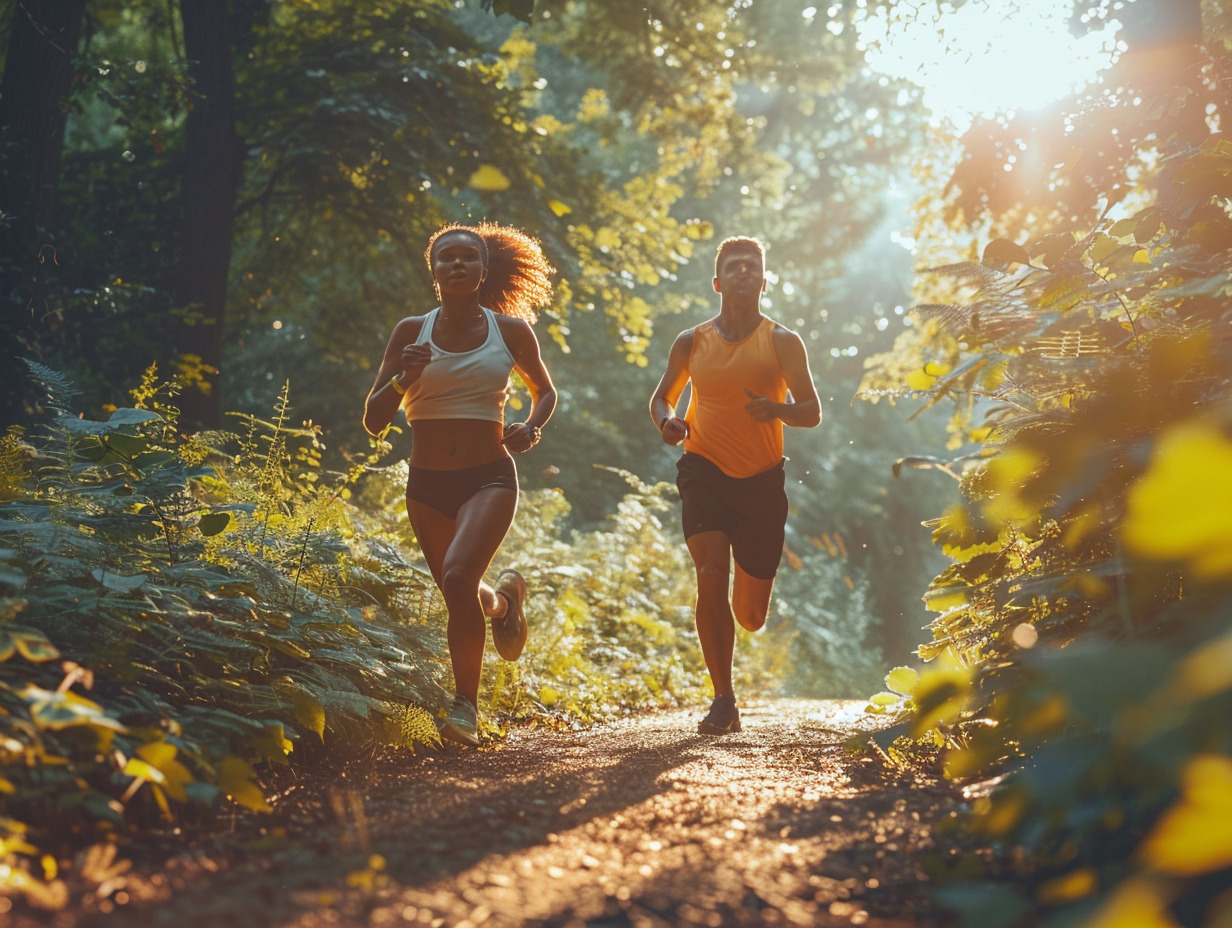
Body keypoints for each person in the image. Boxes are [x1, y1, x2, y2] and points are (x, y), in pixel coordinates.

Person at [363, 221, 556, 747]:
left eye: (468, 257)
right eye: (447, 257)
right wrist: (405, 376)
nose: (457, 264)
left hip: (489, 475)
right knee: (460, 590)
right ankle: (504, 605)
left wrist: (531, 426)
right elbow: (373, 420)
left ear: (482, 269)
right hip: (426, 483)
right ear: (435, 272)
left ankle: (464, 708)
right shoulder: (410, 332)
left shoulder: (511, 331)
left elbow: (545, 392)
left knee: (454, 575)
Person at [649, 236, 821, 734]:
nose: (745, 272)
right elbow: (662, 399)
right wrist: (668, 423)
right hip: (702, 467)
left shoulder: (784, 341)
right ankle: (723, 699)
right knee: (708, 571)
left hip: (762, 483)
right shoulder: (691, 341)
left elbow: (812, 411)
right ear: (718, 281)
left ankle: (738, 647)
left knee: (750, 616)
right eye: (734, 266)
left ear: (765, 281)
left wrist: (778, 410)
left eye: (754, 267)